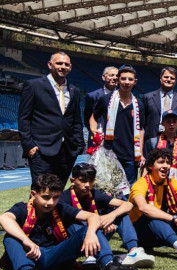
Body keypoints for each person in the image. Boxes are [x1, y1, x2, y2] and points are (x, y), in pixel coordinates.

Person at [0, 174, 139, 270]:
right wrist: (26, 240)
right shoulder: (22, 208)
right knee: (10, 238)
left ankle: (109, 267)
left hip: (55, 256)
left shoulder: (60, 208)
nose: (50, 203)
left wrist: (90, 233)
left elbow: (92, 216)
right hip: (29, 257)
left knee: (89, 228)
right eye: (46, 197)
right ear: (33, 195)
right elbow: (4, 218)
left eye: (55, 197)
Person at [59, 163, 155, 268]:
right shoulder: (63, 198)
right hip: (76, 240)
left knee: (121, 215)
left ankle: (133, 251)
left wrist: (111, 216)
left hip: (95, 234)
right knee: (74, 224)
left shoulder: (94, 193)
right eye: (83, 181)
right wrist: (102, 223)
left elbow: (127, 204)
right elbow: (83, 220)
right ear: (73, 181)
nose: (87, 185)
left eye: (91, 181)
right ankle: (105, 260)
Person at [18, 51, 85, 183]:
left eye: (66, 64)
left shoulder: (74, 91)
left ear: (70, 67)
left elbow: (76, 120)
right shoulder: (34, 85)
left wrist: (79, 144)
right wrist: (29, 145)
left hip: (67, 151)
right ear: (50, 65)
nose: (63, 67)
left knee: (58, 191)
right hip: (41, 150)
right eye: (59, 63)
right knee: (41, 192)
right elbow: (23, 118)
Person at [90, 65, 144, 185]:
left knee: (128, 189)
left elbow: (140, 130)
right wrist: (95, 132)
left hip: (130, 155)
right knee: (108, 186)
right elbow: (94, 117)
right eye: (123, 78)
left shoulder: (139, 105)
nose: (126, 82)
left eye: (130, 79)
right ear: (118, 79)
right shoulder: (106, 99)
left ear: (135, 82)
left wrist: (140, 152)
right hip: (110, 152)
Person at [142, 67, 177, 140]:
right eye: (166, 77)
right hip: (152, 140)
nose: (169, 80)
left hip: (174, 141)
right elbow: (143, 121)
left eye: (172, 78)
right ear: (160, 78)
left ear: (176, 81)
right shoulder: (147, 97)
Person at [143, 110, 177, 179]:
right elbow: (146, 167)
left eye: (174, 121)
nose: (171, 124)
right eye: (168, 121)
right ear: (162, 123)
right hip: (155, 182)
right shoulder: (152, 142)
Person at [84, 66, 118, 148]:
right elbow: (87, 118)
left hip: (117, 140)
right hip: (98, 138)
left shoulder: (123, 97)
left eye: (117, 76)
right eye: (111, 75)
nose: (114, 78)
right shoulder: (93, 96)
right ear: (104, 77)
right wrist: (95, 131)